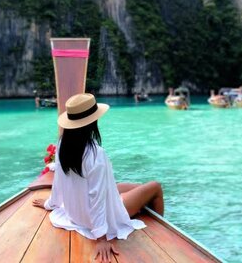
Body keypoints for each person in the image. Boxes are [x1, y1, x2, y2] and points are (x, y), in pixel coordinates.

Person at [32, 93, 164, 263]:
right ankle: (161, 235)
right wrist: (101, 239)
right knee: (155, 187)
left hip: (75, 214)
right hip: (100, 219)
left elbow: (59, 183)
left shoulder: (63, 145)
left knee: (136, 186)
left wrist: (50, 204)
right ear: (92, 122)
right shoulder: (96, 154)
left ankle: (139, 201)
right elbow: (96, 197)